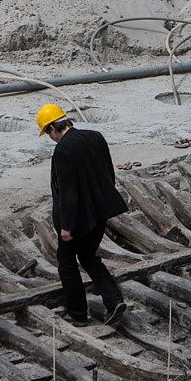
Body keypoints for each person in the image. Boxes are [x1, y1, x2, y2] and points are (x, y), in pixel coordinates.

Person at [38, 103, 128, 326]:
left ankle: (77, 314)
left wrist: (66, 226)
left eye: (48, 133)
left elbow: (67, 191)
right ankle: (113, 299)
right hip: (100, 211)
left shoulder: (63, 150)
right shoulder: (95, 136)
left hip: (78, 217)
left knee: (66, 262)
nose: (50, 138)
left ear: (52, 128)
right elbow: (108, 172)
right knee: (88, 256)